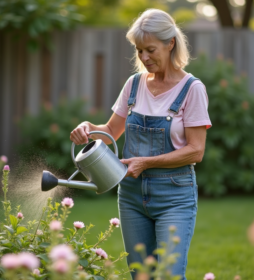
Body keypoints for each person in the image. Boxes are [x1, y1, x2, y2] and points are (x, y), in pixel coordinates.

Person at [70, 9, 212, 279]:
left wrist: (145, 162)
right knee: (141, 275)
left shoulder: (192, 89)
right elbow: (111, 130)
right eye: (139, 51)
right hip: (132, 195)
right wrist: (88, 129)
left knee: (169, 274)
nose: (144, 58)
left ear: (170, 43)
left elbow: (196, 151)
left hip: (174, 196)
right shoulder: (133, 85)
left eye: (150, 50)